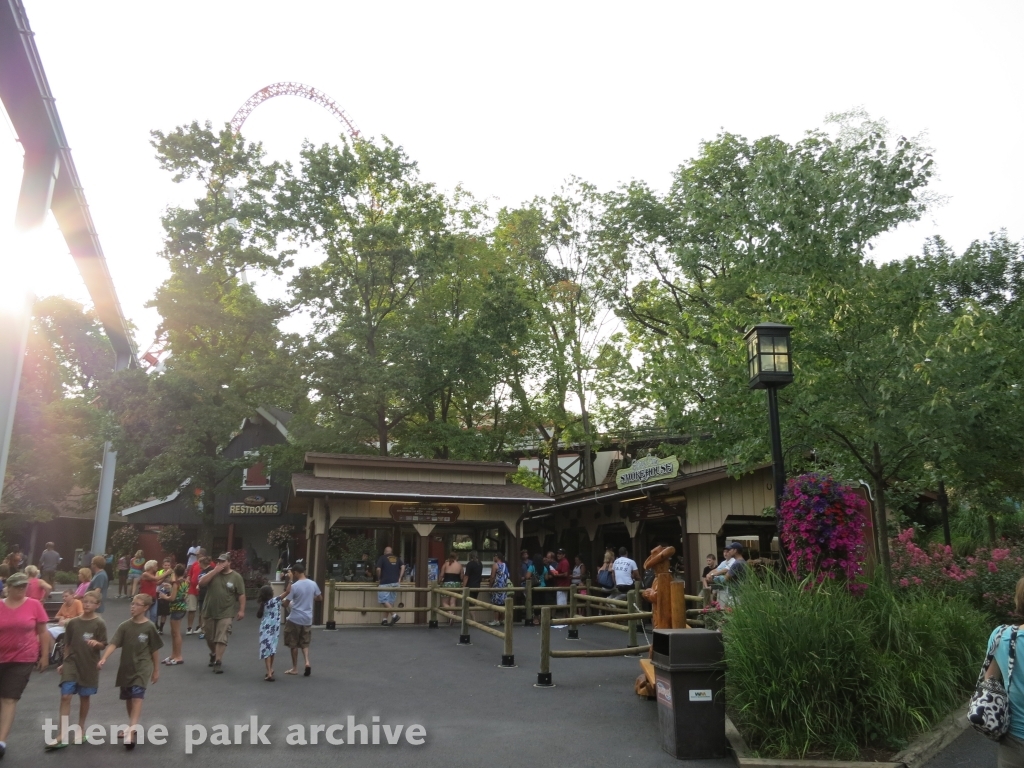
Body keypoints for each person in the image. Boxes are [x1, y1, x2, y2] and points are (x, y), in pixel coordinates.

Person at [98, 594, 162, 749]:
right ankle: (131, 725)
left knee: (137, 698)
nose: (133, 607)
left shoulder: (149, 627)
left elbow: (154, 650)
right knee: (128, 698)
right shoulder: (125, 626)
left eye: (137, 604)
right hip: (126, 667)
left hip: (142, 667)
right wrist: (104, 658)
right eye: (132, 604)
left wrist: (156, 670)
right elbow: (114, 643)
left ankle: (131, 732)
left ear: (146, 608)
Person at [45, 590, 106, 750]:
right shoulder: (73, 623)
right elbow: (67, 644)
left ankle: (80, 729)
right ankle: (61, 734)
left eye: (91, 602)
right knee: (65, 696)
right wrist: (64, 662)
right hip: (71, 662)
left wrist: (97, 643)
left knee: (84, 697)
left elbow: (103, 643)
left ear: (97, 605)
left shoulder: (99, 623)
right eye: (85, 601)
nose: (87, 604)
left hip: (88, 663)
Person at [0, 571, 50, 760]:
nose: (22, 589)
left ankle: (1, 741)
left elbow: (43, 632)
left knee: (9, 697)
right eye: (18, 586)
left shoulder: (34, 605)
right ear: (9, 588)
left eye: (24, 586)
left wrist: (44, 655)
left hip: (23, 657)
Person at [198, 553, 246, 674]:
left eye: (223, 561)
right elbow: (201, 583)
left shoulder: (236, 577)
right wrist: (214, 571)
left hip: (226, 612)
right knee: (209, 637)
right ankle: (213, 653)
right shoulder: (212, 573)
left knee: (221, 637)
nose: (221, 563)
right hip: (209, 611)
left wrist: (241, 610)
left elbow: (241, 594)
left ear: (229, 562)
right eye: (219, 561)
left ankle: (218, 661)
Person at [282, 562, 321, 676]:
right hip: (307, 618)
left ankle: (295, 668)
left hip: (295, 618)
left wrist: (280, 602)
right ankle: (307, 662)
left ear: (295, 573)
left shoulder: (295, 586)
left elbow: (286, 603)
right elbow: (319, 597)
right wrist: (310, 598)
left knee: (293, 643)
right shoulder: (313, 584)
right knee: (305, 642)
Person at [161, 564, 188, 666]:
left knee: (176, 633)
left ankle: (178, 656)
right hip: (181, 607)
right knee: (173, 633)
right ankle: (173, 654)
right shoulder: (185, 582)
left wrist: (164, 596)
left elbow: (172, 598)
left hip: (176, 608)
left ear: (175, 573)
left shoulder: (176, 583)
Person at [256, 585, 282, 682]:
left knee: (266, 649)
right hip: (275, 629)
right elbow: (288, 591)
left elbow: (259, 615)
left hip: (265, 628)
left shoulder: (264, 604)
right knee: (272, 649)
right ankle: (270, 670)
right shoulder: (275, 600)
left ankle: (269, 671)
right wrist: (290, 579)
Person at [375, 546, 405, 626]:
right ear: (391, 552)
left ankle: (394, 615)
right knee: (389, 602)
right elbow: (403, 566)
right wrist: (400, 578)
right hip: (395, 582)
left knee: (383, 600)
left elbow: (378, 569)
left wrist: (379, 578)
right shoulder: (396, 558)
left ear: (385, 552)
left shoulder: (382, 558)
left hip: (385, 582)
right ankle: (384, 620)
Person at [438, 553, 463, 624]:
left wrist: (439, 582)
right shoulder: (459, 565)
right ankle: (452, 617)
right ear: (456, 557)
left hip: (447, 584)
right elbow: (462, 576)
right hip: (456, 584)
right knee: (453, 602)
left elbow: (441, 575)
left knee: (444, 602)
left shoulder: (446, 564)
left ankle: (450, 614)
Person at [185, 550, 205, 635]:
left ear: (203, 554)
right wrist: (188, 578)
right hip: (192, 589)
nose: (196, 556)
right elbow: (189, 574)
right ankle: (189, 627)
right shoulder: (194, 564)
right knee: (191, 609)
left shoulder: (210, 564)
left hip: (203, 590)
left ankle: (200, 626)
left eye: (198, 554)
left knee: (202, 609)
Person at [488, 552, 511, 626]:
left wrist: (490, 586)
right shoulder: (504, 565)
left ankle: (496, 620)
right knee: (503, 603)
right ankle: (503, 619)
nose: (494, 558)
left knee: (496, 603)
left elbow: (492, 577)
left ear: (497, 557)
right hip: (504, 585)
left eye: (494, 556)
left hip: (497, 585)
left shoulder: (495, 565)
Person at [195, 555, 214, 639]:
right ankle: (204, 630)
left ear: (202, 563)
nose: (198, 564)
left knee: (208, 614)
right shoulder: (202, 571)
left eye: (199, 563)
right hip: (201, 594)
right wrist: (198, 585)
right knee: (202, 613)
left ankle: (208, 631)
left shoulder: (211, 571)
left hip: (208, 594)